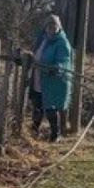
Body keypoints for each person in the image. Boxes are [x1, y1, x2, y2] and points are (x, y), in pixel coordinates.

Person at [29, 14, 72, 142]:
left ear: (59, 27)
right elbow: (36, 53)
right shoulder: (43, 39)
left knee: (50, 107)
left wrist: (57, 67)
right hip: (38, 76)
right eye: (49, 25)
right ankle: (34, 131)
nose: (51, 28)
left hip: (52, 79)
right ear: (45, 27)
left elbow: (64, 60)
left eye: (54, 26)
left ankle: (55, 134)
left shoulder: (62, 42)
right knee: (38, 104)